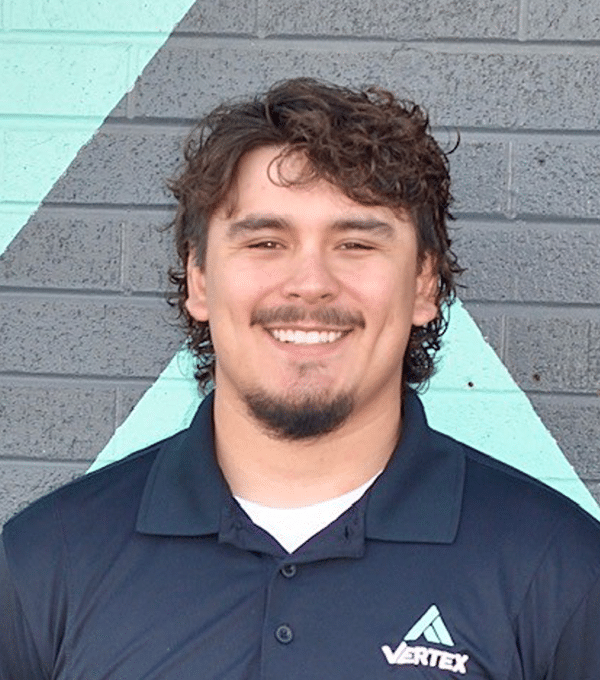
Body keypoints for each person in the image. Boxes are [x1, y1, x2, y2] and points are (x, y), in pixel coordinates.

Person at [1, 78, 599, 679]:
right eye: (266, 241)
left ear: (424, 285)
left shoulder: (562, 572)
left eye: (356, 243)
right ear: (200, 282)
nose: (309, 282)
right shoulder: (43, 563)